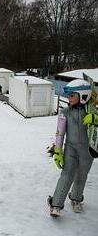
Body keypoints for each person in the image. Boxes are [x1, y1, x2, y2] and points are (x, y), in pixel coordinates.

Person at [48, 79, 95, 217]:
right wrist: (58, 150)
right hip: (71, 149)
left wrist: (96, 119)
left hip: (88, 150)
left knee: (81, 175)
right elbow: (60, 132)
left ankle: (76, 198)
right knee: (66, 175)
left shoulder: (93, 111)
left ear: (84, 95)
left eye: (72, 95)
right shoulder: (65, 112)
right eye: (69, 96)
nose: (69, 99)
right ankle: (56, 204)